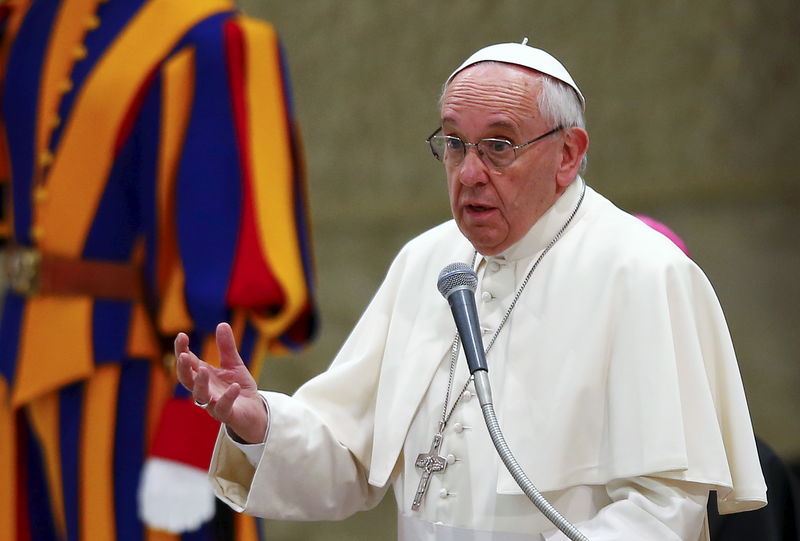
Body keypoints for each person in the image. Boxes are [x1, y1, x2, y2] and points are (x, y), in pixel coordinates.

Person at [177, 41, 768, 540]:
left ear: (568, 154)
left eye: (500, 146)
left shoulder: (641, 272)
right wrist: (260, 424)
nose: (468, 172)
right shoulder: (426, 261)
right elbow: (351, 460)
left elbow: (664, 508)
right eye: (455, 143)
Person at [0, 1, 316, 540]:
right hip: (17, 357)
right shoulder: (27, 22)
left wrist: (190, 438)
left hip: (137, 378)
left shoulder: (210, 37)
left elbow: (232, 257)